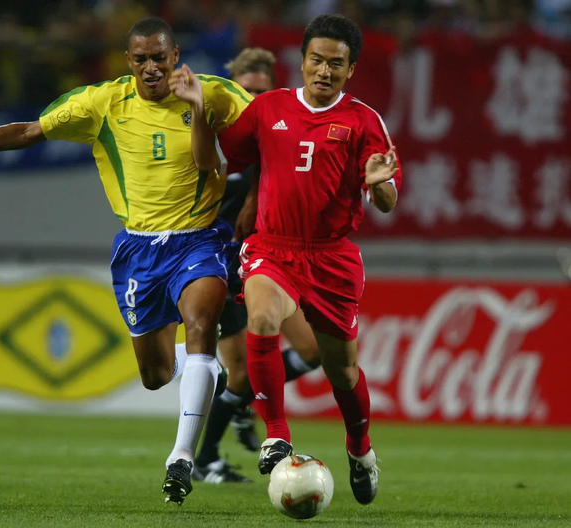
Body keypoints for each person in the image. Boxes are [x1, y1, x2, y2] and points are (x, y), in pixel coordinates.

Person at [0, 17, 252, 506]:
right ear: (128, 61)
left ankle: (182, 456)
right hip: (140, 249)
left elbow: (273, 132)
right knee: (156, 375)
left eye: (159, 58)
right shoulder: (102, 102)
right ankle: (201, 367)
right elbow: (27, 132)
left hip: (200, 237)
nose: (151, 68)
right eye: (141, 59)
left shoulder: (215, 94)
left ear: (176, 56)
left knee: (202, 323)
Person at [217, 14, 402, 505]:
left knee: (342, 373)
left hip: (330, 259)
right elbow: (226, 157)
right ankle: (277, 435)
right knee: (261, 317)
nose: (324, 71)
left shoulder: (363, 121)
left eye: (335, 64)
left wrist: (379, 182)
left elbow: (386, 201)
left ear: (350, 69)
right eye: (316, 60)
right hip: (272, 246)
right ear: (301, 61)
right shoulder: (268, 108)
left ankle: (360, 449)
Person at [192, 48, 322, 485]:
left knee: (312, 350)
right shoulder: (214, 140)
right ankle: (206, 459)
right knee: (241, 373)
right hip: (220, 265)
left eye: (260, 93)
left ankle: (247, 400)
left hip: (267, 260)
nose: (251, 101)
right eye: (245, 91)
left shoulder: (276, 136)